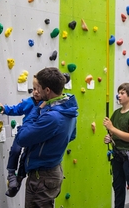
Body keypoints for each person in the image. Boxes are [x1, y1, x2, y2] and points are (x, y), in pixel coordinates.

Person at [15, 67, 78, 208]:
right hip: (53, 170)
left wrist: (36, 110)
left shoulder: (52, 117)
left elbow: (22, 138)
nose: (36, 92)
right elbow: (72, 136)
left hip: (41, 177)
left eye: (39, 88)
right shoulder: (68, 108)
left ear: (48, 90)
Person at [0, 76, 42, 197]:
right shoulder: (29, 102)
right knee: (15, 150)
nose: (35, 92)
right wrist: (4, 109)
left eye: (38, 89)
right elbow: (17, 109)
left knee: (25, 157)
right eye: (34, 89)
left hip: (34, 136)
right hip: (24, 132)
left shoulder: (46, 104)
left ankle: (19, 179)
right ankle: (11, 173)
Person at [103, 83, 129, 208]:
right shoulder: (116, 113)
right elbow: (114, 133)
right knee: (118, 188)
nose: (118, 96)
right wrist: (110, 138)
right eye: (118, 93)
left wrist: (112, 129)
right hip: (118, 155)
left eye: (122, 93)